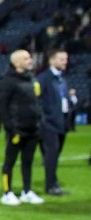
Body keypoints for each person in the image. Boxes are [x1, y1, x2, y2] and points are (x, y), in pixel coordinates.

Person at [0, 49, 44, 206]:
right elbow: (2, 107)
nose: (30, 60)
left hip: (33, 128)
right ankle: (7, 192)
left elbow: (36, 103)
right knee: (10, 162)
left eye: (29, 57)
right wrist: (11, 127)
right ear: (16, 62)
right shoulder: (8, 81)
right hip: (16, 129)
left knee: (28, 161)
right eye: (26, 58)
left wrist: (39, 122)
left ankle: (27, 191)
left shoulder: (31, 79)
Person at [36, 49, 75, 196]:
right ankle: (50, 185)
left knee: (55, 155)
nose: (65, 62)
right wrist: (44, 118)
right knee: (51, 154)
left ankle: (53, 182)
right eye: (61, 59)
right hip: (49, 124)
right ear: (51, 61)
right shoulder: (44, 78)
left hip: (61, 122)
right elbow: (37, 100)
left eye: (65, 59)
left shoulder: (61, 78)